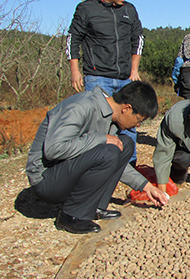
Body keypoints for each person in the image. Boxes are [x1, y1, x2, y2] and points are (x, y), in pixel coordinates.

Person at [26, 81, 169, 234]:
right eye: (139, 120)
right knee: (110, 150)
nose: (137, 126)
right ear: (127, 108)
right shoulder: (81, 107)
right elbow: (54, 149)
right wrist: (100, 138)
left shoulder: (109, 116)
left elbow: (114, 162)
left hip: (67, 170)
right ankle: (71, 215)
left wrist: (146, 187)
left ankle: (95, 207)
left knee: (125, 143)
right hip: (47, 180)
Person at [66, 0, 144, 166]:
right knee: (99, 123)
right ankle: (99, 165)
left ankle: (129, 165)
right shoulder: (87, 9)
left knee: (130, 122)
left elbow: (138, 39)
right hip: (97, 76)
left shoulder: (129, 10)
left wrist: (134, 69)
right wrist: (75, 70)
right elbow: (73, 39)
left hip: (126, 77)